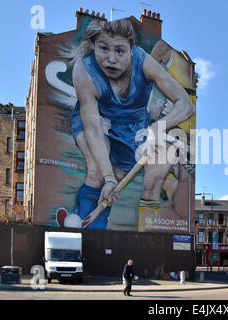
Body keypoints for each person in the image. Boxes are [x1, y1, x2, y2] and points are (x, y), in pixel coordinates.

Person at [66, 18, 194, 229]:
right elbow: (94, 130)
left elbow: (186, 104)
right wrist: (107, 177)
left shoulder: (143, 62)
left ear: (131, 49)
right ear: (94, 45)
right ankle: (85, 236)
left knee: (114, 184)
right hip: (95, 121)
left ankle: (83, 220)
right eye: (103, 48)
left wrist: (156, 127)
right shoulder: (83, 70)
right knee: (98, 171)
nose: (111, 58)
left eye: (119, 51)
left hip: (132, 130)